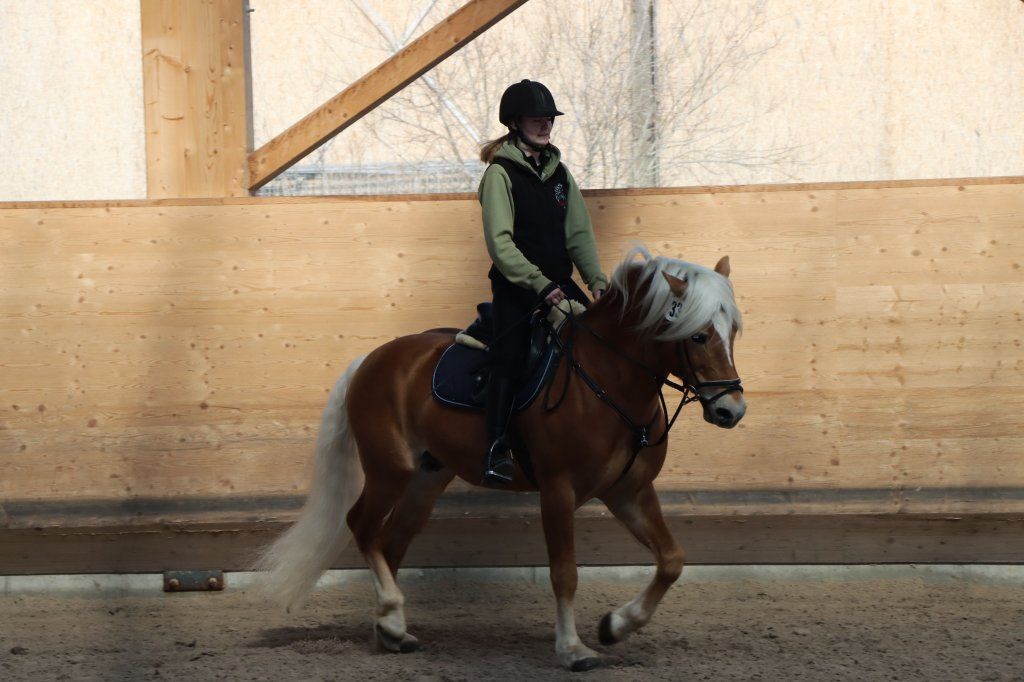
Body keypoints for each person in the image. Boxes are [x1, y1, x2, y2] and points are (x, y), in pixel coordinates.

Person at [477, 79, 608, 487]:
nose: (545, 123)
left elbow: (579, 236)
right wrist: (537, 283)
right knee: (510, 359)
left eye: (549, 118)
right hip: (518, 290)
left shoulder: (559, 173)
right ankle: (495, 448)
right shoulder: (500, 174)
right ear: (514, 123)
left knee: (601, 346)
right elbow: (500, 243)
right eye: (537, 118)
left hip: (561, 284)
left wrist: (598, 283)